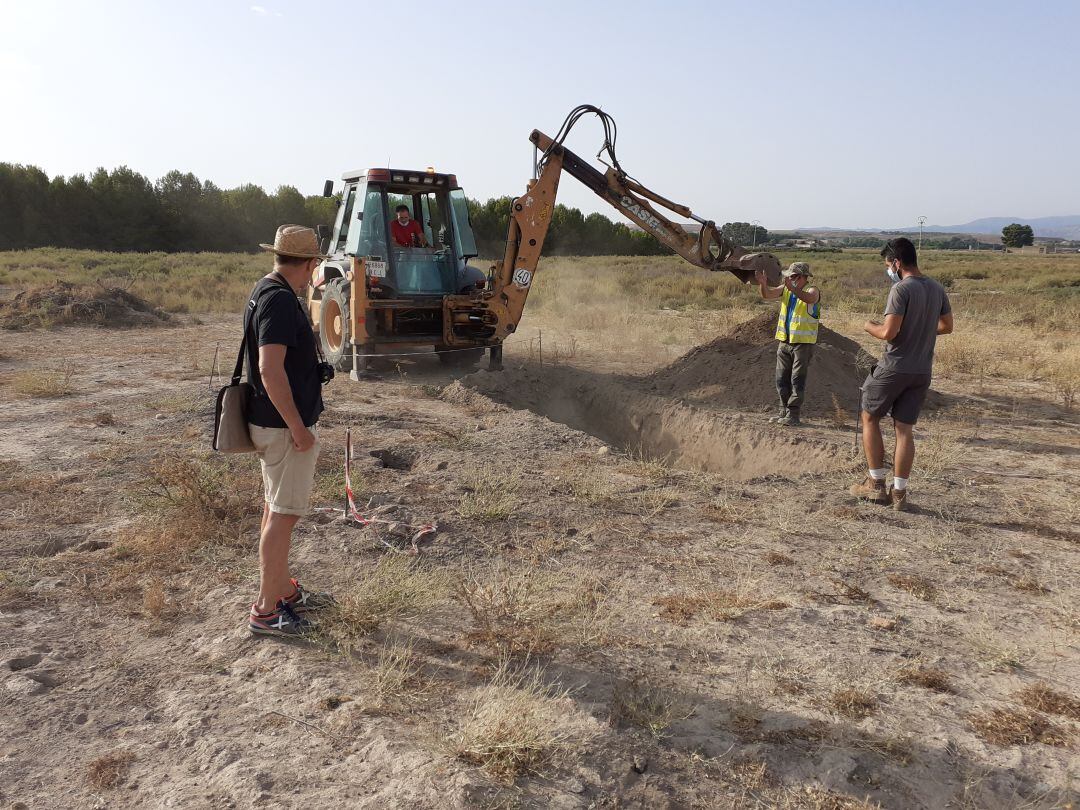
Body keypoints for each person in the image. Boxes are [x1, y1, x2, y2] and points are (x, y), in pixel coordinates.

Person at [246, 224, 334, 636]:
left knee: (274, 510)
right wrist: (298, 427)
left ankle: (283, 590)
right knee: (282, 517)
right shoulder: (279, 301)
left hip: (274, 425)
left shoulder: (266, 291)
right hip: (283, 428)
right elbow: (269, 369)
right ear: (311, 264)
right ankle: (266, 610)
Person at [850, 237, 953, 511]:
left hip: (894, 367)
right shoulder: (936, 288)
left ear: (896, 262)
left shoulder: (901, 289)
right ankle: (901, 494)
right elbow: (947, 326)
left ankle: (875, 485)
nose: (888, 270)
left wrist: (868, 325)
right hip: (921, 370)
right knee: (904, 430)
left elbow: (888, 333)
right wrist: (920, 329)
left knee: (869, 417)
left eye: (888, 264)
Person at [755, 262, 821, 426]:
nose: (788, 279)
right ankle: (783, 412)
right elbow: (767, 295)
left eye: (791, 276)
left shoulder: (812, 290)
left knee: (797, 380)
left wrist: (793, 289)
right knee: (781, 379)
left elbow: (810, 299)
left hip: (802, 344)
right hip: (784, 341)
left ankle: (793, 415)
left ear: (801, 277)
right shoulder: (786, 289)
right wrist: (763, 284)